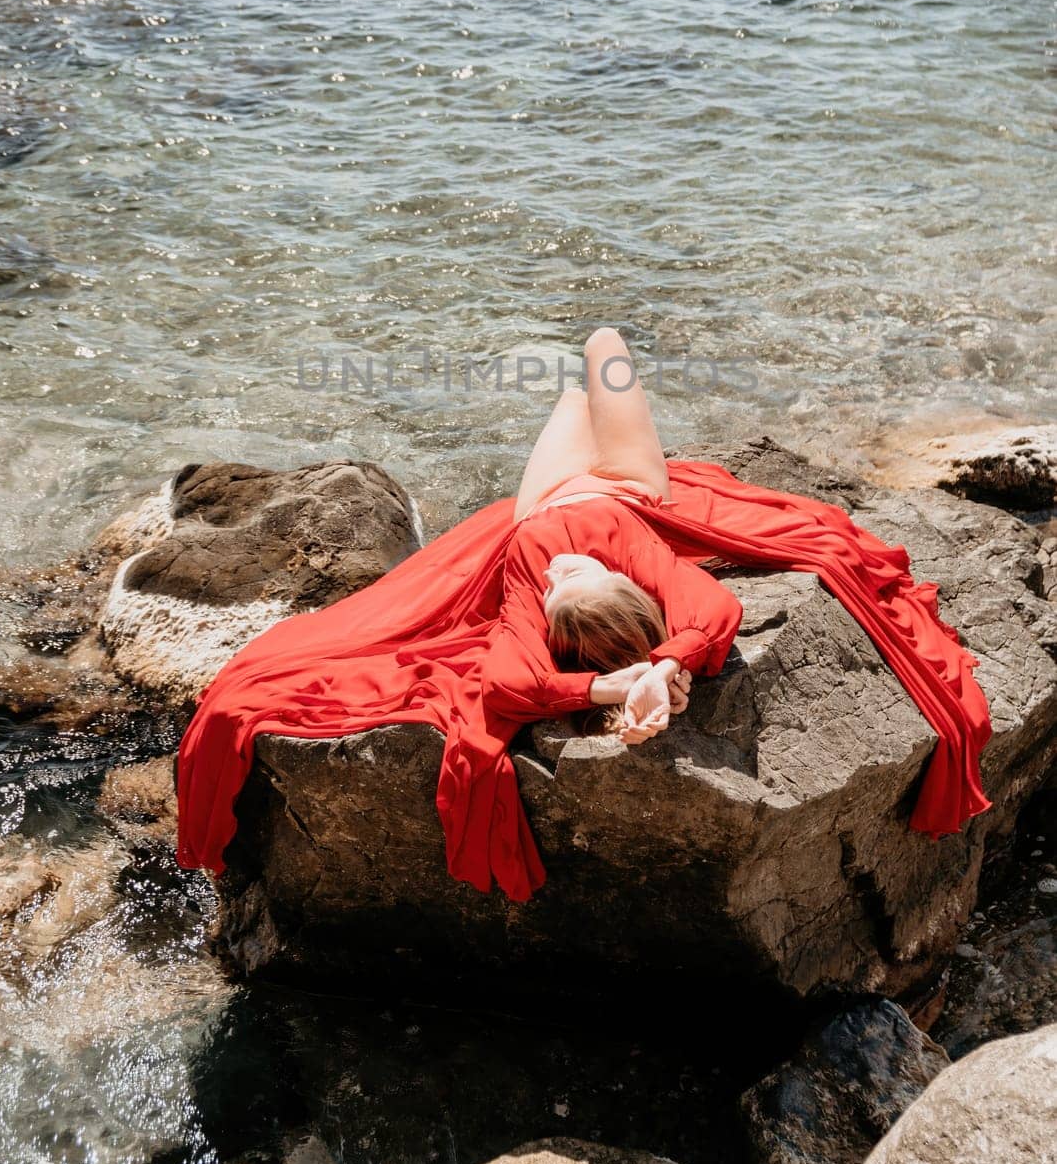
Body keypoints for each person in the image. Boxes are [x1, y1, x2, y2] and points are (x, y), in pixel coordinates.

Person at [175, 328, 993, 904]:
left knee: (589, 367)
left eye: (559, 586)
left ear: (553, 611)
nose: (564, 571)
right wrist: (659, 666)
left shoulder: (540, 575)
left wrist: (617, 686)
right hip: (627, 489)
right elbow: (712, 603)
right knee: (600, 352)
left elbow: (506, 680)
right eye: (577, 577)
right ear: (613, 578)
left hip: (539, 508)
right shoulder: (613, 540)